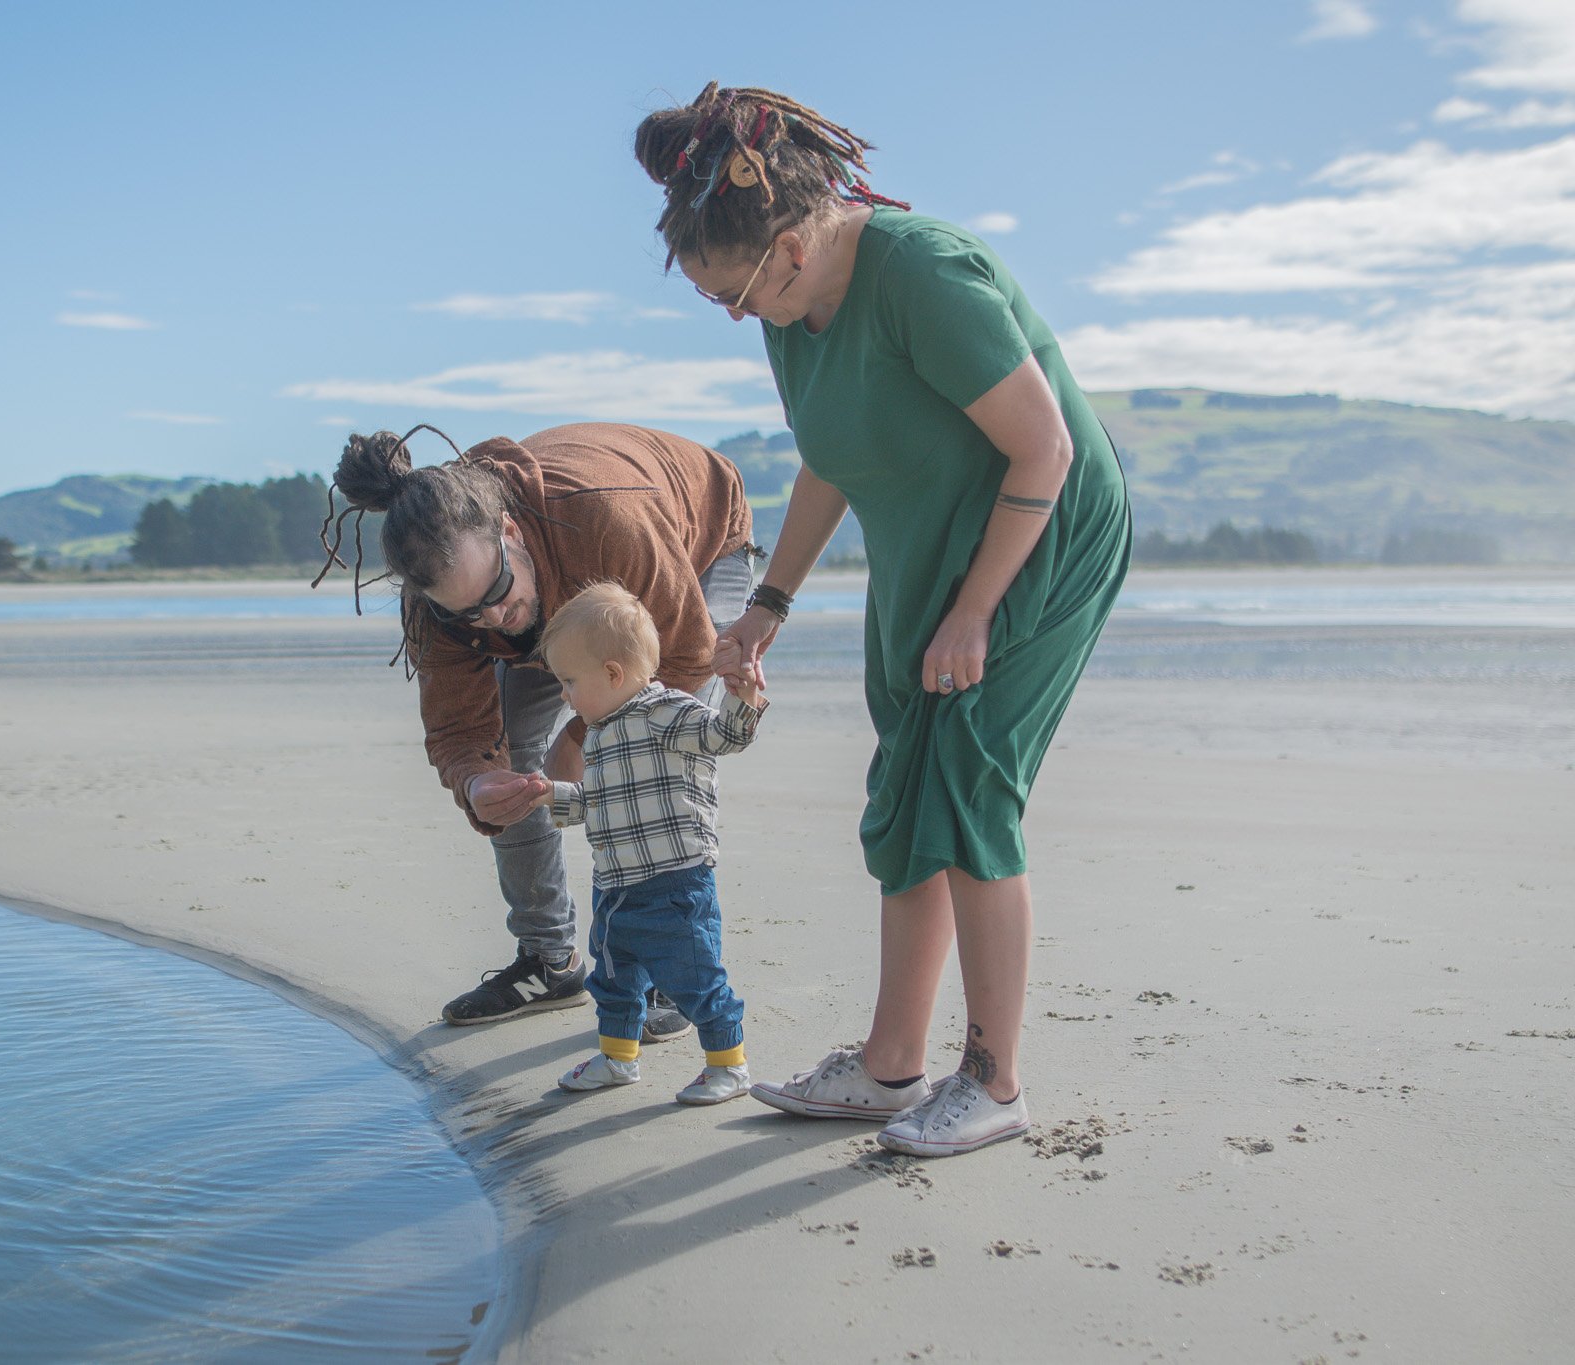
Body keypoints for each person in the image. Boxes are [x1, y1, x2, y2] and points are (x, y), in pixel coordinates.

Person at [632, 84, 1131, 1156]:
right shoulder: (787, 310)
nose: (735, 315)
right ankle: (890, 1065)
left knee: (966, 783)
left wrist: (974, 612)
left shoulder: (921, 273)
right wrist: (767, 603)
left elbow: (1043, 449)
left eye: (735, 293)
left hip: (1037, 537)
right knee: (905, 784)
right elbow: (831, 455)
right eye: (715, 300)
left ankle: (993, 1082)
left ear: (791, 243)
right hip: (926, 534)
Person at [319, 423, 755, 1031]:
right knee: (511, 757)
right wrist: (477, 783)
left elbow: (685, 658)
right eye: (469, 613)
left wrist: (585, 735)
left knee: (649, 750)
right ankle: (549, 961)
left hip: (696, 542)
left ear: (509, 531)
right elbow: (460, 733)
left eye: (497, 590)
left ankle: (673, 969)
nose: (496, 617)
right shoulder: (438, 607)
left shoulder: (608, 520)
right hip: (564, 578)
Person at [514, 583, 765, 1105]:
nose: (564, 696)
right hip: (615, 886)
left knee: (696, 975)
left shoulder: (665, 710)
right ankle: (617, 1059)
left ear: (612, 673)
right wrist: (550, 794)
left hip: (676, 881)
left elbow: (724, 736)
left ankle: (728, 1064)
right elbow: (597, 801)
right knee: (614, 979)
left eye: (569, 682)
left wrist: (742, 698)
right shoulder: (600, 732)